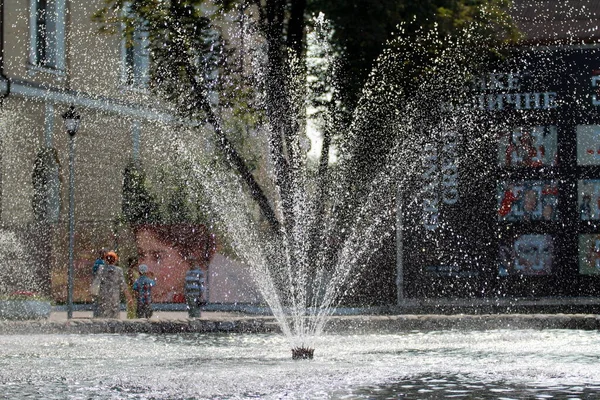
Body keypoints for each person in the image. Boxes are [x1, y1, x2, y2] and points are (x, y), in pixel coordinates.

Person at [92, 251, 133, 319]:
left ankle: (104, 329)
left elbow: (97, 281)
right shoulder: (119, 270)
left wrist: (93, 291)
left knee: (103, 316)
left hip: (104, 296)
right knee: (115, 317)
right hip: (114, 297)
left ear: (106, 260)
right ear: (115, 260)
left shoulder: (101, 269)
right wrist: (128, 297)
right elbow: (123, 285)